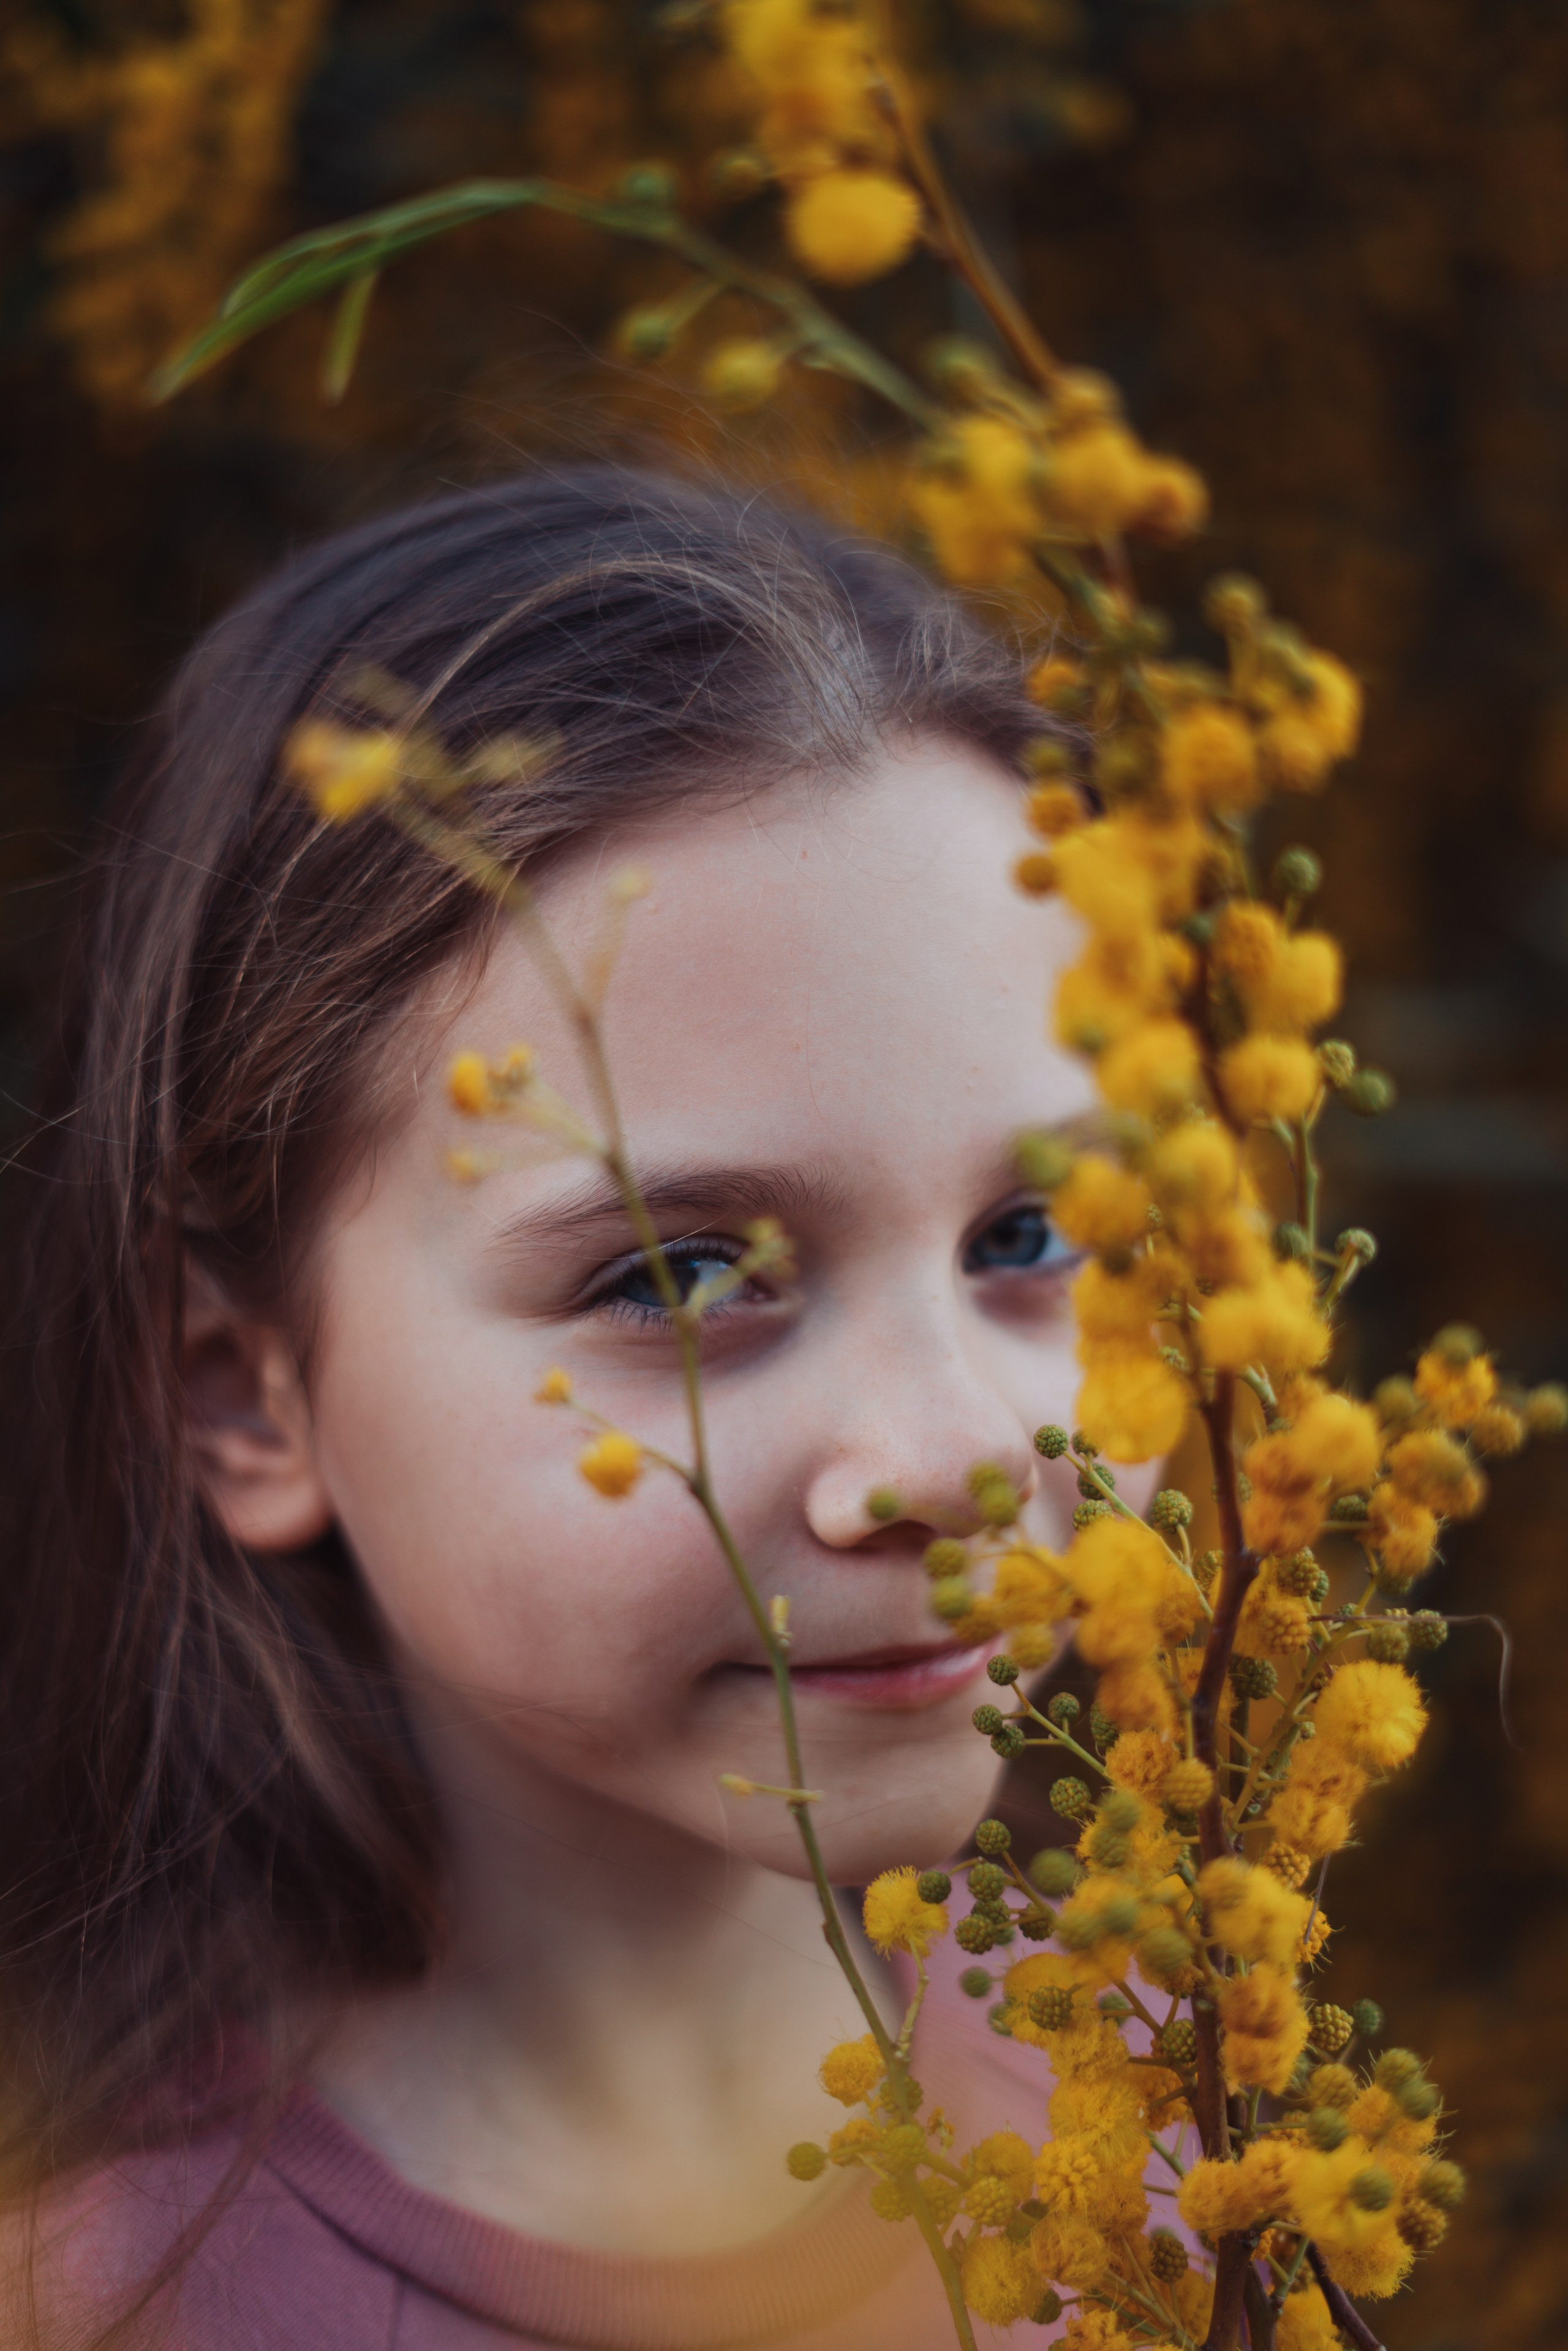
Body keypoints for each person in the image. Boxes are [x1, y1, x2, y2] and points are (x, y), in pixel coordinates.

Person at [0, 466, 1164, 2349]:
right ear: (244, 1395)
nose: (957, 1458)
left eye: (1037, 1229)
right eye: (680, 1278)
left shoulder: (1185, 2118)